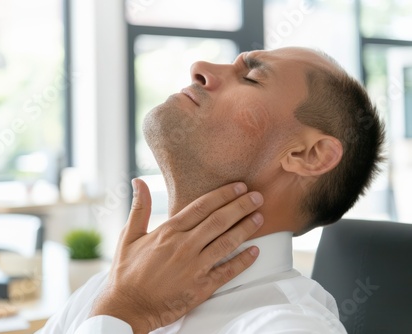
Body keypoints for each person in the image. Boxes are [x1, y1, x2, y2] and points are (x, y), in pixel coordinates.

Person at [37, 47, 385, 333]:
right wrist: (121, 304)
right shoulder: (109, 288)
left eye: (251, 77)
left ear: (307, 155)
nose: (199, 66)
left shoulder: (292, 325)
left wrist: (124, 314)